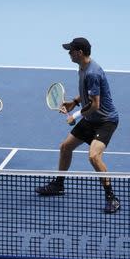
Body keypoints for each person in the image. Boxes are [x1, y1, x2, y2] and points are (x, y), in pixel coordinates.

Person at [35, 37, 120, 214]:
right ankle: (59, 184)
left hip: (105, 121)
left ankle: (111, 197)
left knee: (93, 156)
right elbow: (88, 95)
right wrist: (74, 101)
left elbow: (95, 104)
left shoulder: (92, 73)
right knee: (65, 147)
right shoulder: (82, 68)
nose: (69, 53)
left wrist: (74, 115)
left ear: (79, 53)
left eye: (71, 50)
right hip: (91, 119)